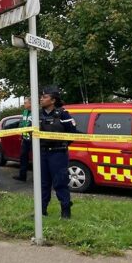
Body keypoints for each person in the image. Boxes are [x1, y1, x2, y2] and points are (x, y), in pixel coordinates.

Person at [39, 87, 77, 219]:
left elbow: (72, 133)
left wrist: (62, 145)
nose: (41, 99)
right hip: (42, 153)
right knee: (42, 183)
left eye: (45, 97)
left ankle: (66, 211)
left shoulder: (63, 114)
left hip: (58, 153)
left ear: (53, 100)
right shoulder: (38, 114)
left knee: (60, 182)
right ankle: (41, 211)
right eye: (41, 97)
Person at [13, 97, 32, 182]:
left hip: (33, 139)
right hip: (25, 139)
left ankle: (38, 178)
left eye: (25, 103)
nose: (24, 104)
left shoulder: (36, 112)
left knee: (37, 159)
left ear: (30, 103)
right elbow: (21, 123)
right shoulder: (25, 112)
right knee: (23, 158)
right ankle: (22, 176)